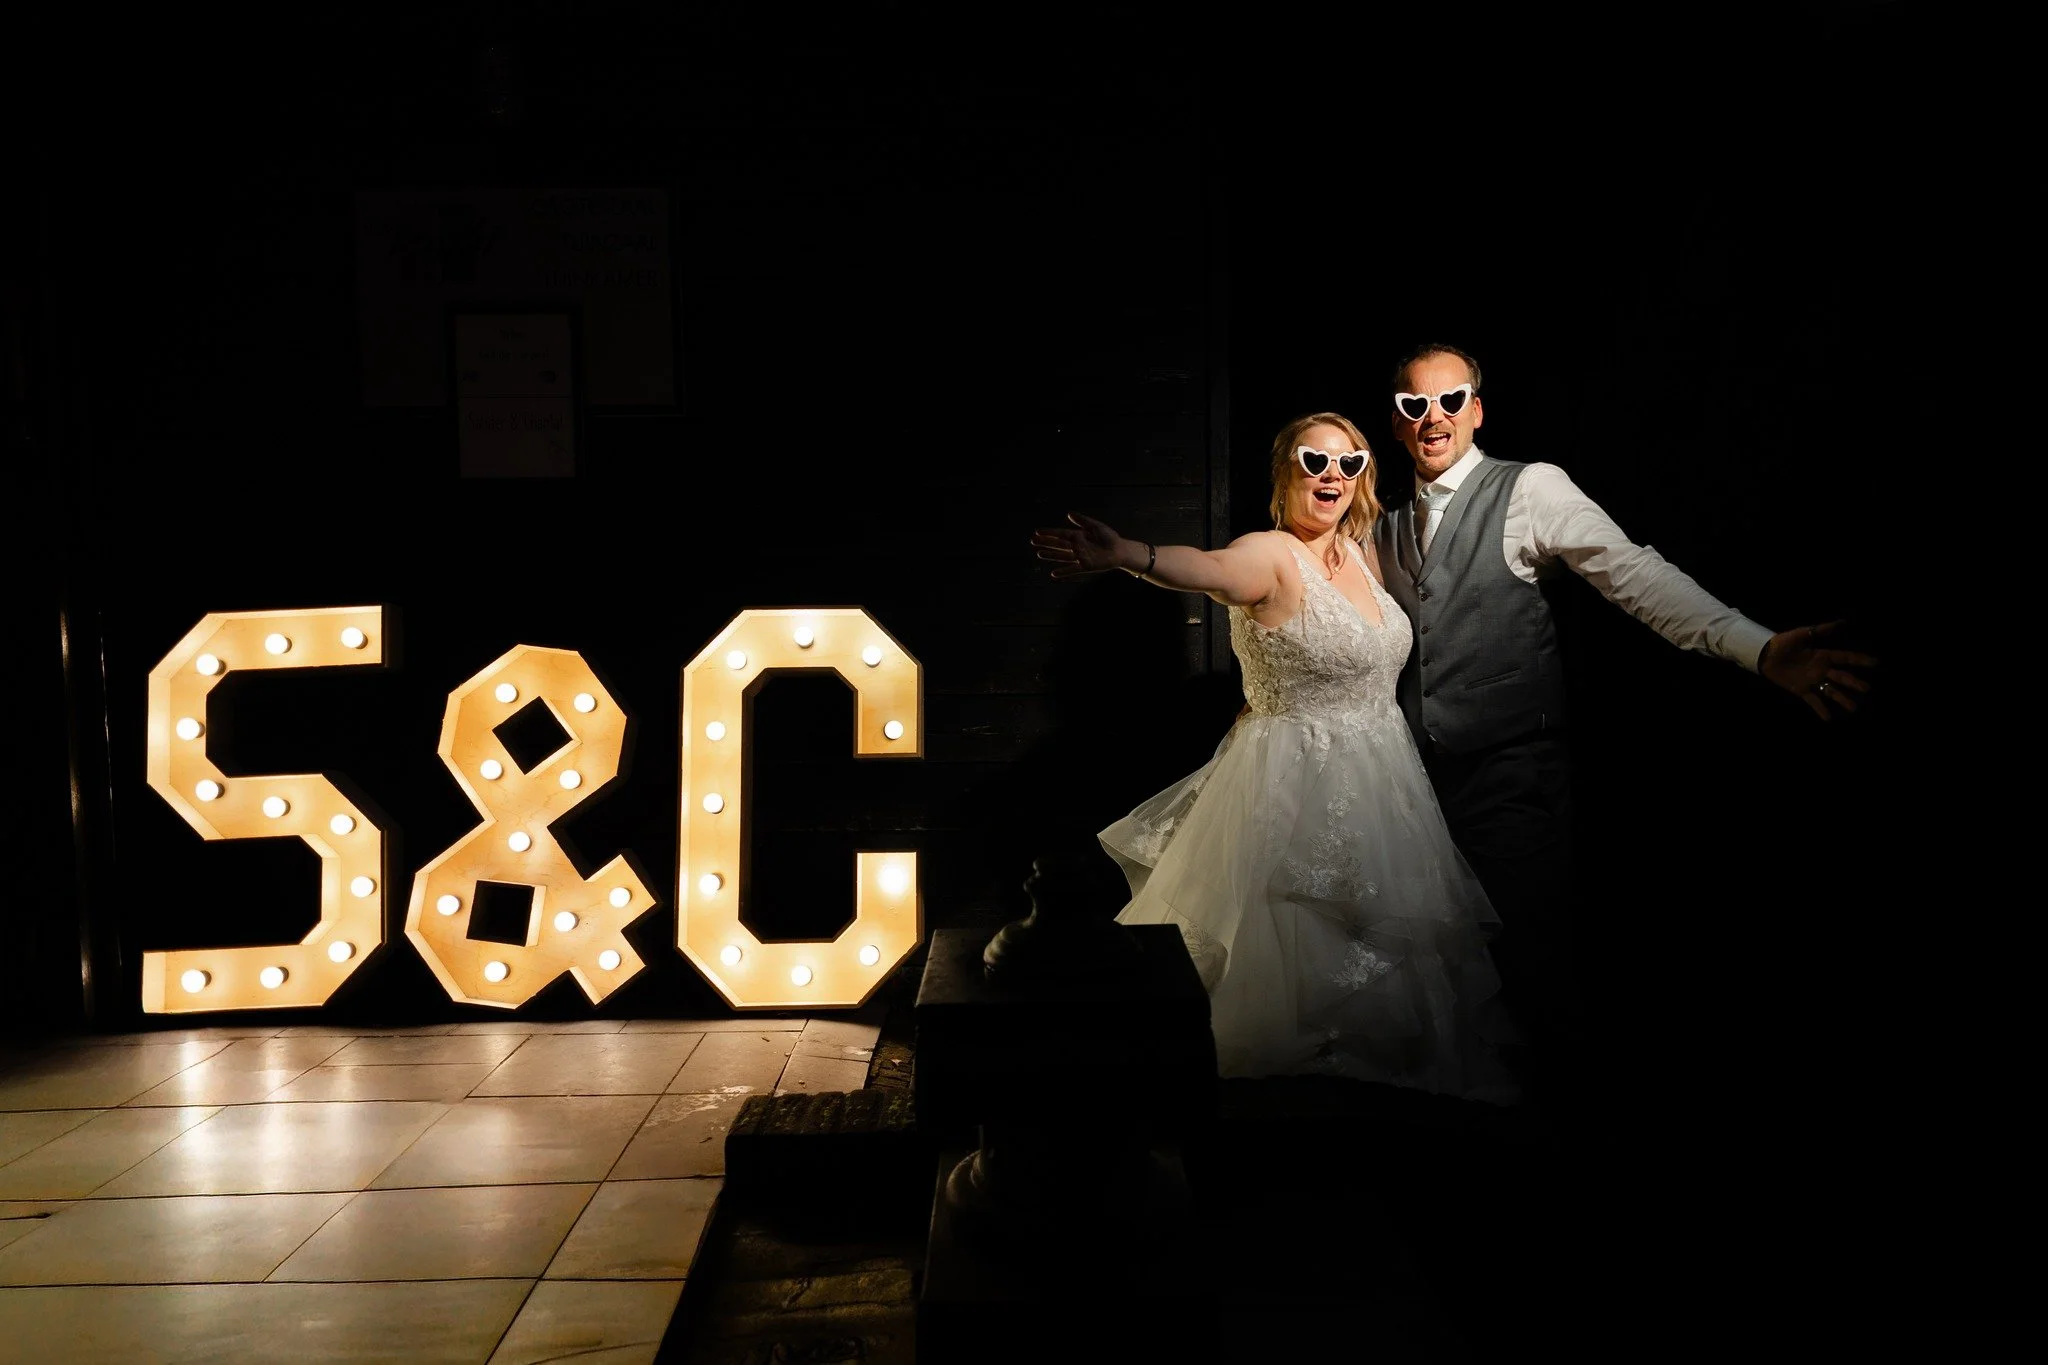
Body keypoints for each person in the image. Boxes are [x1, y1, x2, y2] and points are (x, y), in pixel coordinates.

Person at [1372, 340, 1880, 1093]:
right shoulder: (1380, 527)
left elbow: (1634, 573)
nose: (1434, 416)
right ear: (1397, 421)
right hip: (1416, 790)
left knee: (1532, 976)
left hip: (1512, 775)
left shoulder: (1531, 488)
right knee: (1437, 984)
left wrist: (1759, 647)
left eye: (1451, 400)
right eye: (1416, 404)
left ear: (1476, 411)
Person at [1032, 412, 1517, 1102]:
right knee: (1293, 965)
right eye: (1315, 460)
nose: (1332, 475)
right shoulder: (1267, 553)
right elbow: (1210, 570)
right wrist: (1132, 554)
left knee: (1388, 973)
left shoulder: (1359, 554)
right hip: (1294, 788)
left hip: (1385, 788)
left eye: (1349, 463)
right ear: (1286, 470)